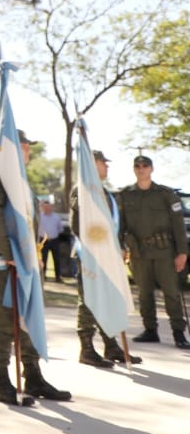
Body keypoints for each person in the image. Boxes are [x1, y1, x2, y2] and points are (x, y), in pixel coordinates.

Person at [0, 129, 71, 404]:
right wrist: (11, 255)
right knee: (4, 317)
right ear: (8, 149)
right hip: (5, 262)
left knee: (29, 313)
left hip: (25, 261)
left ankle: (32, 376)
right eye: (24, 146)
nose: (28, 151)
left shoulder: (18, 181)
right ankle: (1, 380)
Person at [71, 149, 142, 367]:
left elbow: (111, 226)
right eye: (103, 162)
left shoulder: (104, 192)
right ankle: (86, 349)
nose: (107, 166)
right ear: (92, 164)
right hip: (91, 256)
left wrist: (118, 247)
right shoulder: (82, 189)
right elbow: (78, 225)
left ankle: (111, 346)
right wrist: (100, 249)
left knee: (107, 299)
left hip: (108, 256)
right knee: (89, 301)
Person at [119, 154, 190, 348]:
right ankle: (150, 330)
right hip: (139, 252)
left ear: (151, 169)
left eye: (145, 166)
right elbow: (121, 225)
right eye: (137, 166)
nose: (141, 169)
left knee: (171, 293)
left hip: (164, 252)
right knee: (144, 294)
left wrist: (182, 252)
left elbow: (178, 225)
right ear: (134, 169)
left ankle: (178, 333)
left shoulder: (165, 194)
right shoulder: (126, 195)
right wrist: (121, 247)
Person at [38, 199, 72, 282]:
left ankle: (58, 276)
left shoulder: (56, 217)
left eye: (49, 207)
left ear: (51, 208)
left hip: (54, 240)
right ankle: (43, 276)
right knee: (43, 258)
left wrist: (54, 234)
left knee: (56, 259)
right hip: (43, 241)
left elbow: (60, 229)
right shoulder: (40, 216)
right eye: (45, 207)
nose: (47, 209)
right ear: (43, 208)